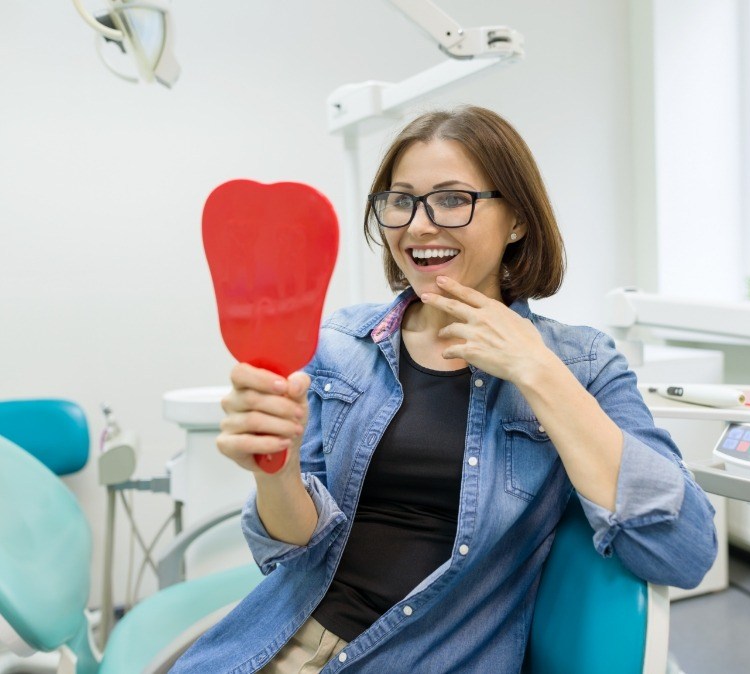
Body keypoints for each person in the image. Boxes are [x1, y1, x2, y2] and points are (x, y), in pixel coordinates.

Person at [171, 106, 717, 674]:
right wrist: (274, 470)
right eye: (400, 200)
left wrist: (536, 368)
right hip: (276, 643)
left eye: (453, 199)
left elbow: (683, 550)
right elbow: (292, 550)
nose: (419, 225)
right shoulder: (337, 346)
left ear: (517, 220)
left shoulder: (582, 364)